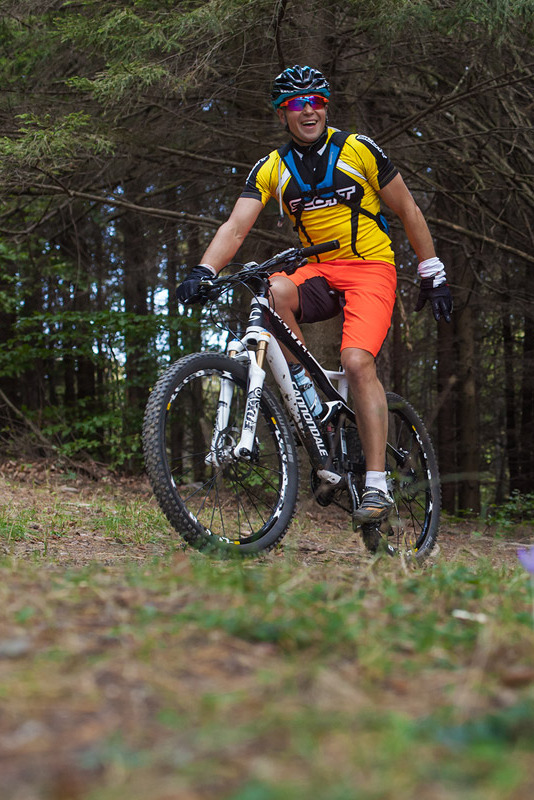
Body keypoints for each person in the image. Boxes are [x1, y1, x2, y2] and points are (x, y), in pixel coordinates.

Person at [175, 65, 453, 529]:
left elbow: (407, 208)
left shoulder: (358, 149)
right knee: (269, 291)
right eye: (296, 104)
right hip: (318, 271)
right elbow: (236, 227)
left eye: (317, 101)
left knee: (357, 362)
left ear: (326, 106)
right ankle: (315, 406)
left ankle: (377, 483)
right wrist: (204, 270)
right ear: (281, 114)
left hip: (370, 267)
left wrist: (432, 272)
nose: (309, 111)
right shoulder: (272, 167)